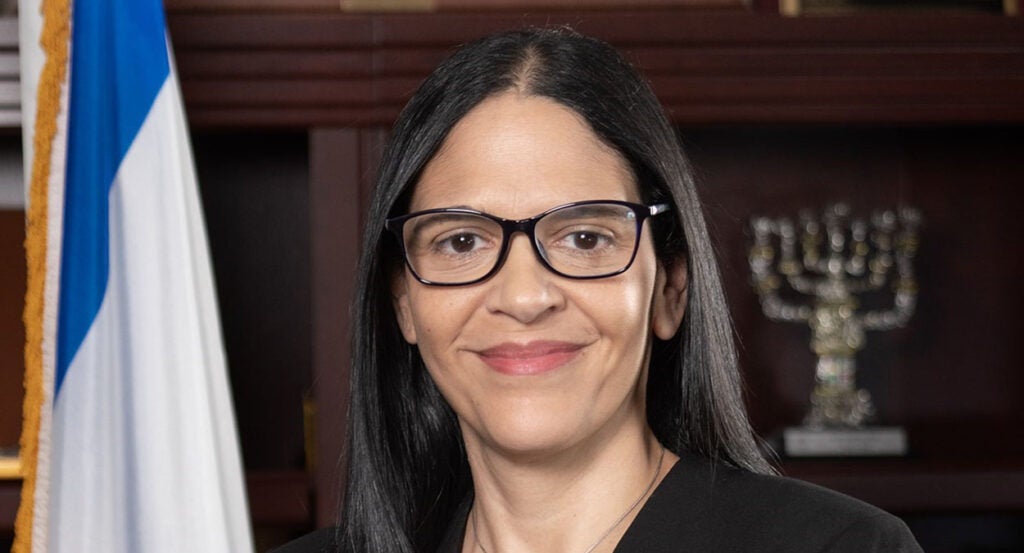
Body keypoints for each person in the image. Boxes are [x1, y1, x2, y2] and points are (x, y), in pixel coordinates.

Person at [275, 27, 923, 553]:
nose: (525, 296)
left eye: (584, 238)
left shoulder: (845, 547)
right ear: (403, 304)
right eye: (461, 241)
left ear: (671, 287)